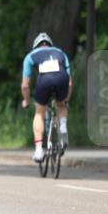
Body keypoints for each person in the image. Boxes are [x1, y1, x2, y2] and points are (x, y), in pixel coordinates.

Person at [21, 32, 72, 162]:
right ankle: (63, 126)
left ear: (35, 46)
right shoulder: (61, 53)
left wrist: (26, 101)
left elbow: (25, 86)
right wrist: (66, 99)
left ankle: (39, 150)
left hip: (44, 81)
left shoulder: (30, 56)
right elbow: (70, 83)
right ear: (50, 45)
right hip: (62, 79)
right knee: (61, 105)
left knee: (39, 113)